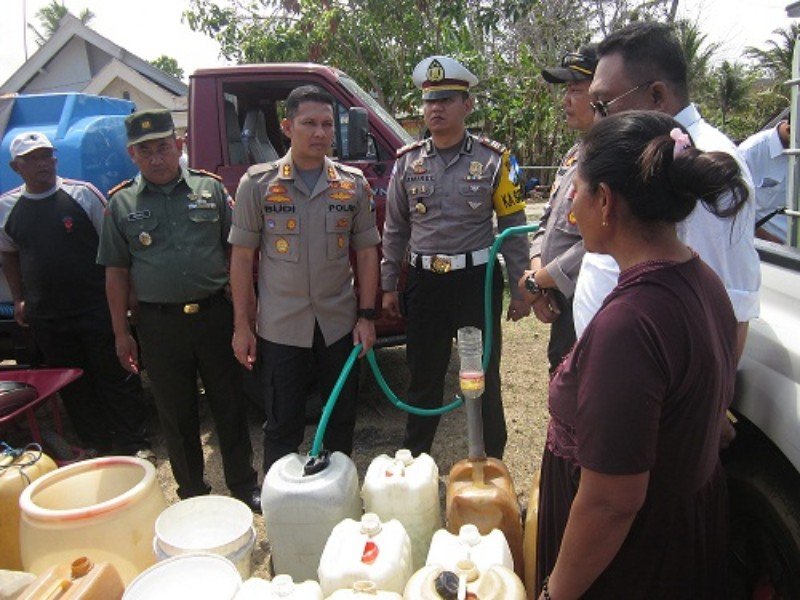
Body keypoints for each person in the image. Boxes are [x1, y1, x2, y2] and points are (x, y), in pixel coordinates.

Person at [536, 110, 745, 599]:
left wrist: (555, 593)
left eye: (578, 195)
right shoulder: (701, 279)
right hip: (677, 541)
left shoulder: (629, 325)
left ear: (605, 202)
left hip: (629, 567)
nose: (571, 213)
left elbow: (611, 502)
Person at [97, 110, 260, 511]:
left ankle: (243, 485)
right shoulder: (120, 204)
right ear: (132, 154)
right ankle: (192, 494)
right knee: (176, 414)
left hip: (214, 317)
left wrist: (244, 320)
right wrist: (121, 333)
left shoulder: (211, 190)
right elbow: (116, 274)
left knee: (230, 406)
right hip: (158, 324)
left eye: (164, 147)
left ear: (180, 146)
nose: (156, 158)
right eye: (146, 150)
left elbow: (236, 255)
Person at [575, 21, 760, 361]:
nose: (598, 121)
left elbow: (727, 314)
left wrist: (699, 408)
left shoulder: (702, 164)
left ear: (656, 95)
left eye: (604, 105)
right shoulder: (644, 154)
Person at [381, 56, 530, 459]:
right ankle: (415, 462)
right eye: (429, 101)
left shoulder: (499, 160)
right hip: (425, 284)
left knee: (482, 377)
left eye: (447, 99)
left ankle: (491, 461)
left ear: (467, 105)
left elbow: (513, 226)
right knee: (423, 378)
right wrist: (387, 284)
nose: (436, 109)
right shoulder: (406, 162)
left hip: (475, 283)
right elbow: (395, 229)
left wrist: (521, 288)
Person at [229, 86, 380, 473]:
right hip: (281, 326)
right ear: (286, 126)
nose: (319, 133)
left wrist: (366, 316)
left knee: (340, 419)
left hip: (338, 324)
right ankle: (283, 504)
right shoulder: (257, 185)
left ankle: (338, 495)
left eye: (327, 124)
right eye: (309, 123)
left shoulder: (352, 184)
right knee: (282, 423)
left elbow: (366, 252)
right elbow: (242, 258)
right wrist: (242, 326)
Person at [0, 131, 152, 459]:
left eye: (47, 156)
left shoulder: (82, 195)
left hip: (96, 307)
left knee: (117, 374)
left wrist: (130, 295)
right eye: (33, 159)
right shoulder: (7, 207)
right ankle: (97, 444)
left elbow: (116, 247)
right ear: (16, 166)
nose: (44, 164)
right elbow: (9, 253)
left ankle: (135, 444)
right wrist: (18, 297)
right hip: (47, 314)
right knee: (74, 384)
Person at [521, 45, 597, 373]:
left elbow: (599, 240)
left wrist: (539, 280)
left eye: (576, 91)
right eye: (566, 90)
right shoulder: (574, 155)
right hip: (559, 297)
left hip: (590, 300)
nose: (566, 100)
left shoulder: (615, 161)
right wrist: (541, 282)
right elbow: (546, 224)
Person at [739, 117, 790, 243]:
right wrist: (772, 243)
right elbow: (734, 210)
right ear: (789, 130)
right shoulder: (750, 153)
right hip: (767, 249)